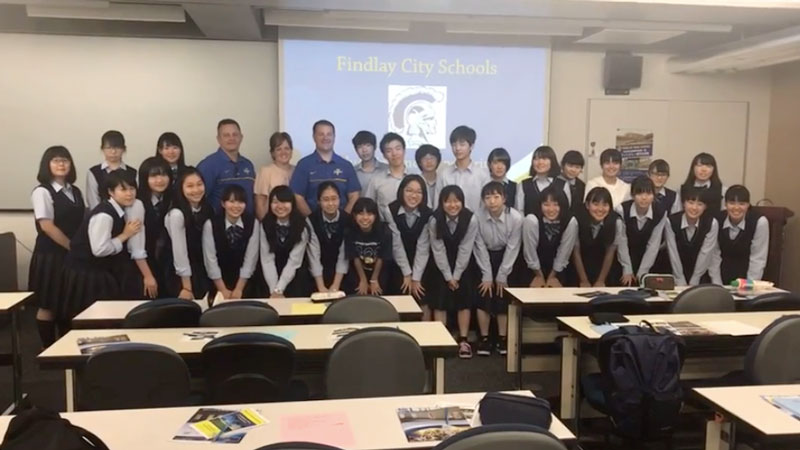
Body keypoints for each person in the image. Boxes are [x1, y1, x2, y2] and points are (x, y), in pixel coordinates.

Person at [60, 171, 142, 325]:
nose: (129, 194)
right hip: (84, 272)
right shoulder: (104, 215)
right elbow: (99, 250)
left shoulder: (119, 209)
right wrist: (125, 235)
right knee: (91, 318)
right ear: (111, 192)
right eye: (123, 190)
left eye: (132, 189)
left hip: (95, 269)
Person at [29, 146, 86, 347]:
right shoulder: (42, 191)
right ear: (47, 165)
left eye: (65, 160)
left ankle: (64, 346)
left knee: (66, 302)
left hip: (71, 255)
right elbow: (47, 226)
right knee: (49, 303)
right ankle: (48, 347)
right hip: (51, 254)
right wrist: (72, 247)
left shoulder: (75, 191)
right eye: (56, 160)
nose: (61, 164)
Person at [429, 185, 479, 359]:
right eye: (448, 201)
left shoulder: (470, 219)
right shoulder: (435, 219)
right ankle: (439, 339)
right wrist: (448, 276)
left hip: (463, 264)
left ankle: (463, 340)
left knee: (463, 300)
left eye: (456, 201)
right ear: (442, 203)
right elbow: (438, 249)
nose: (452, 205)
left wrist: (456, 275)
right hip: (440, 264)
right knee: (440, 300)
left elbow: (466, 248)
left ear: (462, 202)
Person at [473, 182, 523, 356]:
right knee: (483, 292)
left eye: (496, 197)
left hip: (507, 257)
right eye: (487, 197)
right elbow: (478, 246)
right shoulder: (477, 217)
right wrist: (487, 275)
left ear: (504, 198)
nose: (492, 201)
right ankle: (485, 338)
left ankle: (502, 338)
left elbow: (513, 247)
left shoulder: (516, 218)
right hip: (484, 256)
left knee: (503, 294)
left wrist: (502, 274)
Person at [384, 175, 435, 320]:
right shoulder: (390, 210)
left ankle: (425, 337)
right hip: (397, 261)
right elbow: (396, 243)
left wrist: (416, 277)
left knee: (422, 295)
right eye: (409, 190)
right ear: (401, 191)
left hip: (421, 262)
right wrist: (406, 273)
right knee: (399, 296)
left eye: (419, 192)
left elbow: (423, 247)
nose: (414, 195)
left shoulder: (428, 213)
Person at [290, 120, 361, 216]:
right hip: (312, 226)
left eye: (329, 134)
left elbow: (354, 196)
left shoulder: (346, 165)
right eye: (321, 134)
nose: (325, 138)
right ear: (314, 137)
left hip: (343, 226)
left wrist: (344, 219)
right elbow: (297, 196)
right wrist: (313, 221)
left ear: (334, 137)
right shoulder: (304, 165)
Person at [203, 185, 262, 300]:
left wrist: (239, 289)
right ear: (223, 204)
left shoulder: (252, 223)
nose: (236, 206)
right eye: (231, 201)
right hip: (218, 282)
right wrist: (222, 290)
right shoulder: (211, 224)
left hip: (245, 282)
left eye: (241, 202)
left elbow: (251, 259)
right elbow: (210, 260)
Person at [165, 167, 212, 299]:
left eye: (199, 184)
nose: (196, 190)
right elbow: (180, 252)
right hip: (180, 273)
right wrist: (186, 286)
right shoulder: (176, 214)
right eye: (190, 186)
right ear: (181, 189)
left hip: (201, 267)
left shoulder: (207, 208)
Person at [709, 185, 769, 285]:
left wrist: (749, 285)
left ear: (748, 205)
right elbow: (714, 256)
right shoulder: (716, 220)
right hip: (720, 276)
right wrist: (717, 285)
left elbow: (758, 258)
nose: (736, 208)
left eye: (742, 204)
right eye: (732, 203)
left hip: (749, 277)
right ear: (725, 204)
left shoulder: (760, 222)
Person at [572, 187, 631, 287]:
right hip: (579, 268)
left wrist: (600, 281)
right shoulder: (576, 220)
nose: (600, 209)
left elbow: (610, 252)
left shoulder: (616, 222)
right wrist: (584, 280)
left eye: (605, 205)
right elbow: (575, 252)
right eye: (595, 204)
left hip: (605, 269)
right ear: (587, 205)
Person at [196, 118, 256, 215]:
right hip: (219, 225)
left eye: (235, 134)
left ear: (241, 137)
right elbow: (198, 198)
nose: (231, 138)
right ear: (218, 139)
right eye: (226, 135)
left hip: (247, 225)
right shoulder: (208, 165)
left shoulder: (248, 165)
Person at [522, 186, 578, 288]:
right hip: (531, 269)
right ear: (540, 205)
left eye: (556, 205)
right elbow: (529, 251)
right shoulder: (531, 220)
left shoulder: (570, 221)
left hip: (558, 269)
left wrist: (552, 276)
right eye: (546, 204)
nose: (551, 209)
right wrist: (539, 275)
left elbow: (564, 252)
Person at [260, 185, 311, 298]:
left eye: (284, 202)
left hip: (295, 276)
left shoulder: (301, 226)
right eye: (275, 202)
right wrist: (274, 290)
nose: (280, 206)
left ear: (292, 204)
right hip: (269, 278)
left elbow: (294, 261)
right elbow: (267, 260)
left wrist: (279, 289)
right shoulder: (265, 224)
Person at [133, 157, 173, 297]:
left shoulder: (172, 198)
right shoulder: (137, 203)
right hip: (143, 266)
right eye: (154, 176)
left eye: (163, 175)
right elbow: (136, 246)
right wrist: (148, 276)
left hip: (167, 264)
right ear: (145, 178)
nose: (160, 180)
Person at [616, 176, 667, 281]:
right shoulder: (621, 210)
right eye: (639, 194)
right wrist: (627, 269)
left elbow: (653, 244)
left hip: (648, 260)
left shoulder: (660, 212)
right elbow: (622, 242)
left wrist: (643, 272)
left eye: (648, 194)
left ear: (653, 195)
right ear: (632, 195)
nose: (644, 198)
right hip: (622, 259)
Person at [665, 187, 719, 286]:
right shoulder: (671, 221)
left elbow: (705, 253)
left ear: (705, 207)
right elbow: (672, 252)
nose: (694, 208)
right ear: (683, 204)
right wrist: (679, 278)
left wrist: (695, 278)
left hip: (700, 271)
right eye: (690, 202)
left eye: (700, 204)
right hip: (674, 270)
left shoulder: (711, 223)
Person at [307, 182, 351, 293]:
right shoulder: (310, 220)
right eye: (325, 199)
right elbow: (314, 255)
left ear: (340, 199)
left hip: (342, 274)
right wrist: (321, 287)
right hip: (316, 274)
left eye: (334, 199)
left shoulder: (348, 220)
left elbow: (343, 256)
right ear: (318, 201)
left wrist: (335, 285)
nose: (330, 203)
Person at [345, 197, 392, 295]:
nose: (365, 218)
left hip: (379, 270)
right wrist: (363, 279)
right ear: (354, 215)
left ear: (375, 216)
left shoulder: (385, 231)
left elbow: (381, 257)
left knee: (378, 292)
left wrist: (374, 280)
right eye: (361, 214)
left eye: (369, 214)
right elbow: (354, 257)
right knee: (358, 291)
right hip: (358, 270)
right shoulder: (349, 231)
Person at [439, 126, 490, 212]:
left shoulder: (482, 175)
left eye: (462, 144)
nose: (457, 148)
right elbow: (439, 204)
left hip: (476, 223)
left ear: (471, 146)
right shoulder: (444, 174)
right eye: (454, 144)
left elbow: (485, 206)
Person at [86, 130, 137, 210]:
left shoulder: (133, 172)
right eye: (109, 148)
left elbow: (135, 200)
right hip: (102, 216)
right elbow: (93, 202)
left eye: (117, 147)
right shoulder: (94, 172)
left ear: (123, 149)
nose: (113, 152)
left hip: (129, 217)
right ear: (102, 149)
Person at [516, 145, 570, 216]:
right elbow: (519, 211)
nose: (540, 162)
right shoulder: (524, 184)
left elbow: (566, 209)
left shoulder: (562, 184)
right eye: (536, 159)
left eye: (544, 158)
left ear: (552, 161)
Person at [364, 133, 413, 210]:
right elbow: (367, 206)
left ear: (404, 150)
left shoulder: (416, 178)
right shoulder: (376, 180)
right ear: (384, 155)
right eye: (389, 151)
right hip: (384, 221)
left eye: (398, 149)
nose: (394, 153)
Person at [255, 132, 295, 220]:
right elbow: (260, 203)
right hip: (272, 222)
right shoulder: (265, 171)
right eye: (279, 149)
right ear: (272, 153)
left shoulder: (297, 170)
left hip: (293, 222)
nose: (283, 152)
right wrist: (265, 225)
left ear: (291, 151)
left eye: (287, 148)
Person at [558, 150, 586, 214]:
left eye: (577, 167)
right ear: (562, 165)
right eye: (570, 166)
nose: (573, 170)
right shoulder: (554, 182)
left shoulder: (581, 186)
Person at [415, 144, 441, 210]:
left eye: (432, 158)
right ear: (419, 162)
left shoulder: (443, 180)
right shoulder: (415, 182)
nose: (429, 161)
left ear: (437, 161)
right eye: (425, 158)